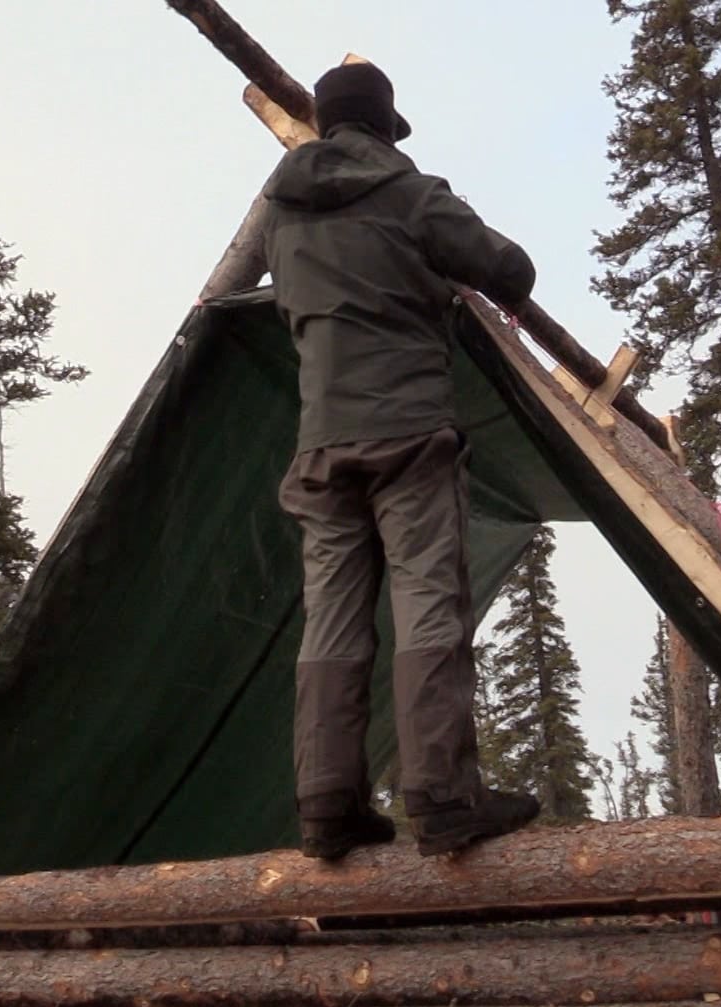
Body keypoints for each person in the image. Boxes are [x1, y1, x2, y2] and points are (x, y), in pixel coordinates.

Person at [262, 61, 541, 860]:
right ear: (386, 127)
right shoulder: (409, 193)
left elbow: (290, 307)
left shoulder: (280, 212)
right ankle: (444, 798)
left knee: (331, 619)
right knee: (428, 606)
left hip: (322, 444)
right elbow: (510, 271)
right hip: (410, 432)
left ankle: (327, 807)